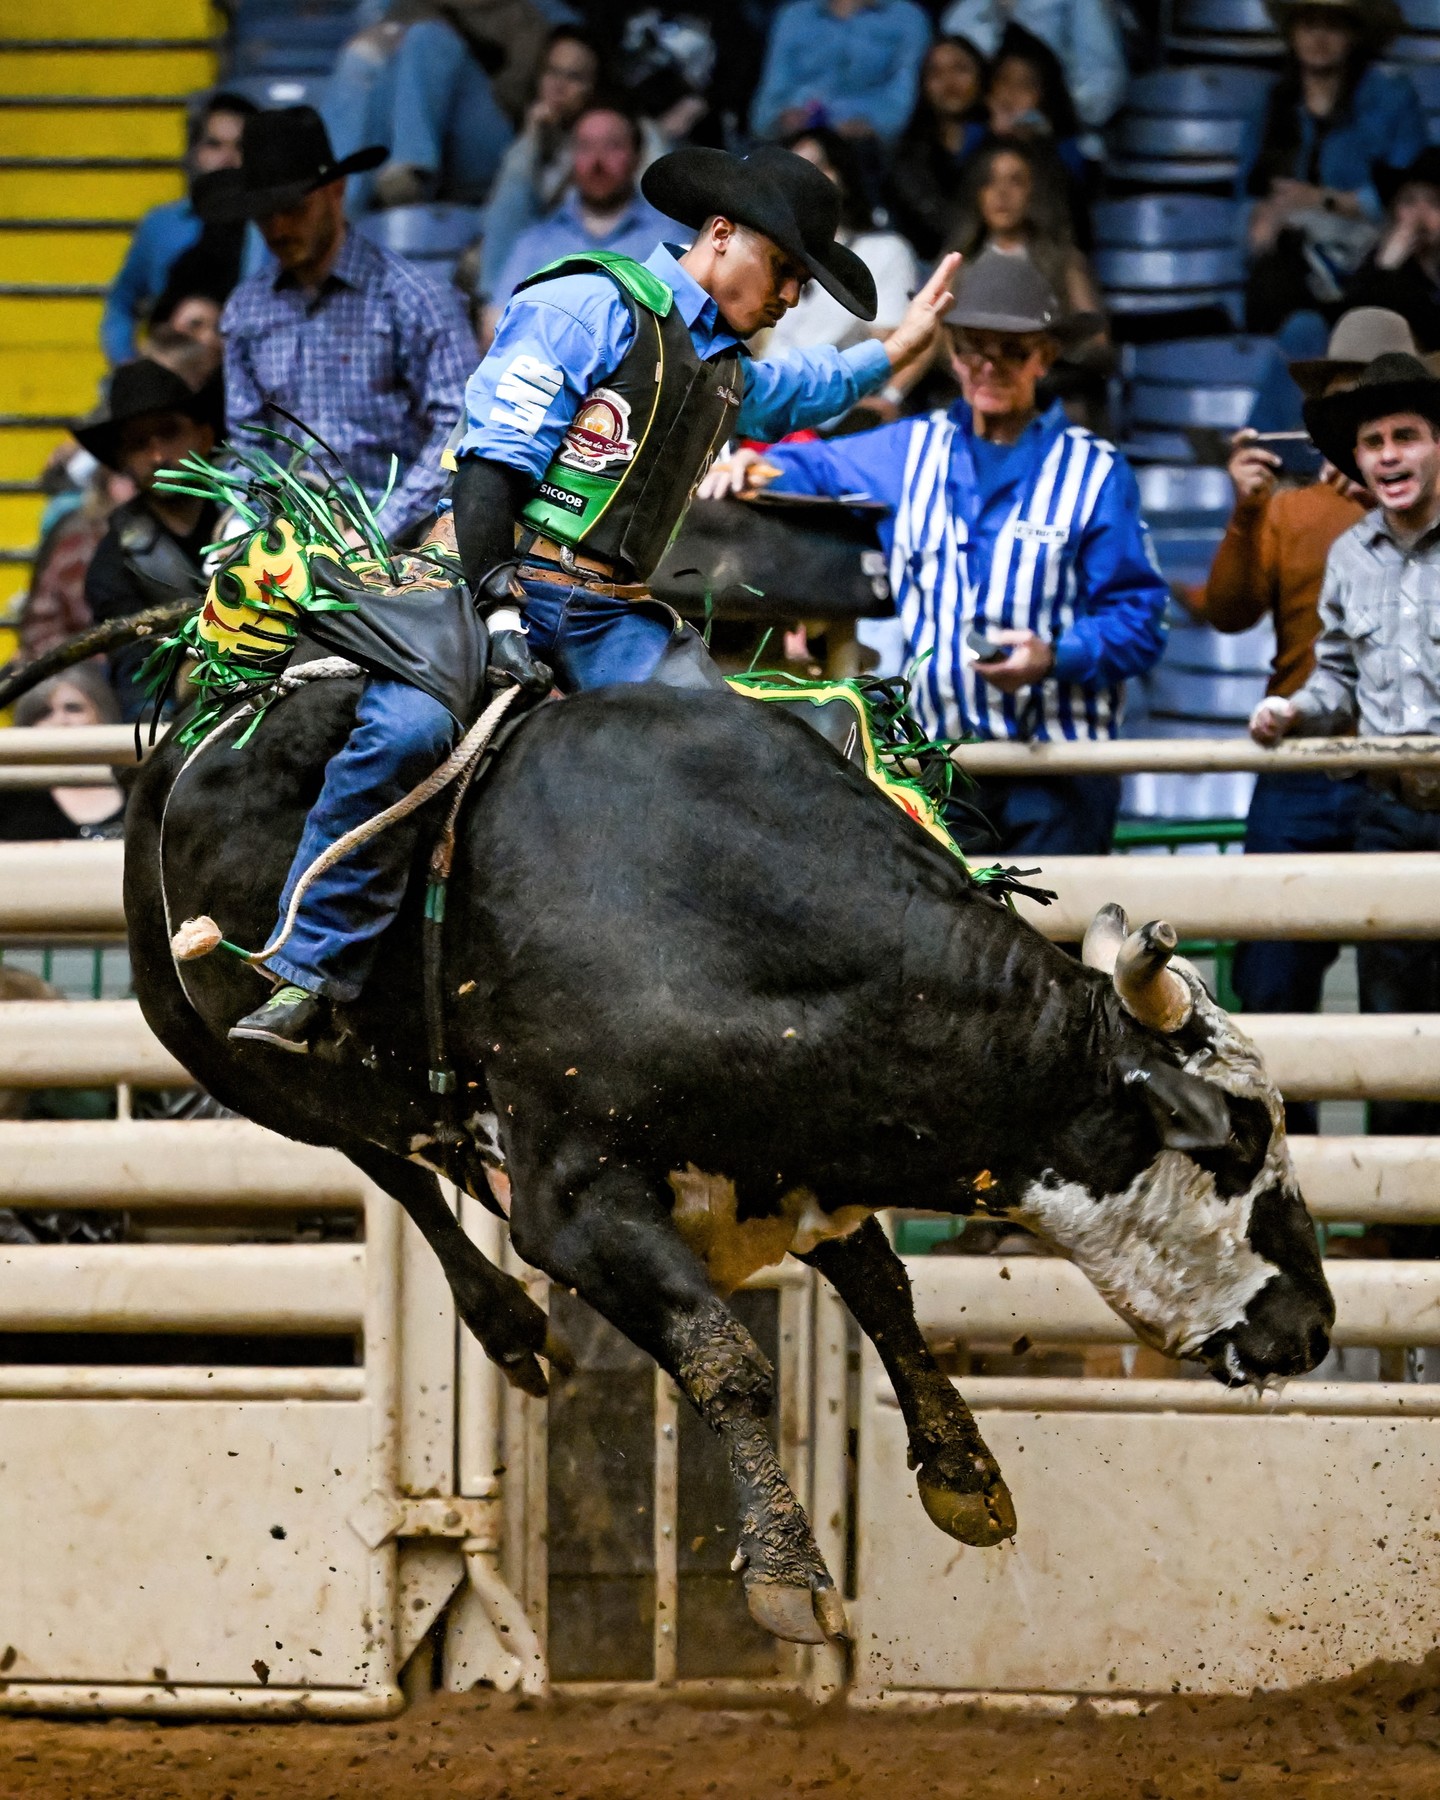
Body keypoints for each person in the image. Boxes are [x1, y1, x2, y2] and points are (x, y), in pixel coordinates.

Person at [229, 144, 960, 1050]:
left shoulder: (722, 365)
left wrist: (892, 353)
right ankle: (307, 969)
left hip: (609, 610)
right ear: (722, 236)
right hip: (485, 573)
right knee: (410, 730)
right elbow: (493, 460)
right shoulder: (587, 302)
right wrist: (497, 605)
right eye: (786, 271)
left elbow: (793, 391)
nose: (790, 299)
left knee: (727, 755)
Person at [703, 254, 1167, 856]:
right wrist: (751, 463)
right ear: (951, 355)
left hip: (1061, 770)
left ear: (1044, 358)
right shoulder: (909, 449)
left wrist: (1054, 655)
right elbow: (815, 463)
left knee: (1054, 939)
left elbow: (1142, 621)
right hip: (944, 768)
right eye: (974, 348)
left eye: (1011, 350)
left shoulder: (1095, 472)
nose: (988, 367)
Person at [1195, 309, 1414, 1126]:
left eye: (1393, 418)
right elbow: (1225, 611)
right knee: (1273, 987)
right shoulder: (1288, 511)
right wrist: (1247, 509)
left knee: (1407, 991)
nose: (1374, 432)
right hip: (1306, 767)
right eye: (1348, 405)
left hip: (1399, 771)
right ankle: (1290, 1191)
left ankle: (1401, 1208)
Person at [1252, 351, 1440, 1135]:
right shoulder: (1349, 557)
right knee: (1392, 1025)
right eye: (1373, 442)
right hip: (1388, 814)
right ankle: (1398, 1232)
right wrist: (1292, 712)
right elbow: (1336, 683)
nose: (1389, 454)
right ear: (1355, 459)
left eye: (1407, 436)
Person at [205, 107, 477, 547]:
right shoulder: (247, 310)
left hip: (409, 543)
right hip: (289, 538)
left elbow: (459, 428)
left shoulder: (412, 299)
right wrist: (244, 520)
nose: (277, 228)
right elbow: (248, 441)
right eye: (263, 214)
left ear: (336, 189)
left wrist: (375, 532)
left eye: (292, 209)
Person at [1239, 0, 1423, 335]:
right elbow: (1246, 190)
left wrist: (1324, 199)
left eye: (1333, 26)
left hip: (1370, 254)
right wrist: (1260, 216)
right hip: (1290, 257)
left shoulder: (1392, 98)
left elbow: (1410, 191)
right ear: (1292, 34)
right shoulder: (1272, 102)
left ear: (1354, 34)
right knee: (1272, 285)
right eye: (1308, 25)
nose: (1319, 37)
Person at [73, 359, 222, 722]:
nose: (158, 456)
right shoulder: (113, 564)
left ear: (204, 437)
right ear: (123, 460)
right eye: (140, 444)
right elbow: (137, 677)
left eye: (169, 433)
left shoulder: (255, 518)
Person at [100, 91, 257, 366]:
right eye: (214, 145)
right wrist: (126, 361)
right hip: (172, 374)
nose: (227, 158)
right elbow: (122, 301)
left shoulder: (276, 227)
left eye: (241, 147)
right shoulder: (161, 225)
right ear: (196, 152)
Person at [484, 104, 677, 321]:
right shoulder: (534, 243)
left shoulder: (670, 241)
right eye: (585, 146)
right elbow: (495, 326)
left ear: (638, 156)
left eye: (613, 146)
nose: (597, 161)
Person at [947, 136, 1107, 365]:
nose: (1001, 193)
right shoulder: (959, 261)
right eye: (989, 181)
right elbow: (934, 335)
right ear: (977, 194)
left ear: (1034, 192)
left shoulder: (1063, 260)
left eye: (1015, 181)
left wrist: (1038, 358)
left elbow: (1096, 340)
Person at [766, 127, 918, 358]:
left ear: (844, 177)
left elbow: (887, 346)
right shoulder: (769, 249)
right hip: (766, 387)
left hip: (840, 389)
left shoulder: (885, 251)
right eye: (792, 171)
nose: (803, 180)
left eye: (817, 166)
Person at [478, 27, 603, 298]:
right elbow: (508, 209)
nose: (558, 87)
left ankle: (493, 301)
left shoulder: (617, 136)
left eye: (574, 77)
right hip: (533, 259)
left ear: (594, 88)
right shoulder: (536, 132)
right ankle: (491, 303)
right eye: (551, 72)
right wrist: (532, 136)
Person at [748, 0, 934, 148]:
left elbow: (902, 98)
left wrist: (871, 126)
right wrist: (781, 119)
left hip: (870, 149)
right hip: (795, 142)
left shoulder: (908, 18)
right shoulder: (794, 16)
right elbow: (767, 103)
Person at [938, 0, 1127, 131]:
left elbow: (1101, 94)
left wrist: (1042, 116)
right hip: (980, 139)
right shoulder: (960, 16)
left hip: (1065, 140)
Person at [885, 35, 990, 262]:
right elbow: (933, 220)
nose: (949, 82)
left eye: (960, 69)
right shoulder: (906, 154)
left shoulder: (1002, 144)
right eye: (936, 73)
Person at [0, 671, 126, 843]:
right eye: (44, 713)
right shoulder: (9, 799)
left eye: (73, 708)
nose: (60, 721)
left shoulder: (144, 787)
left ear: (102, 715)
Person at [1342, 147, 1440, 352]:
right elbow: (1353, 320)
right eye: (1409, 201)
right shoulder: (1381, 264)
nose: (1418, 216)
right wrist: (1386, 267)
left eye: (1433, 203)